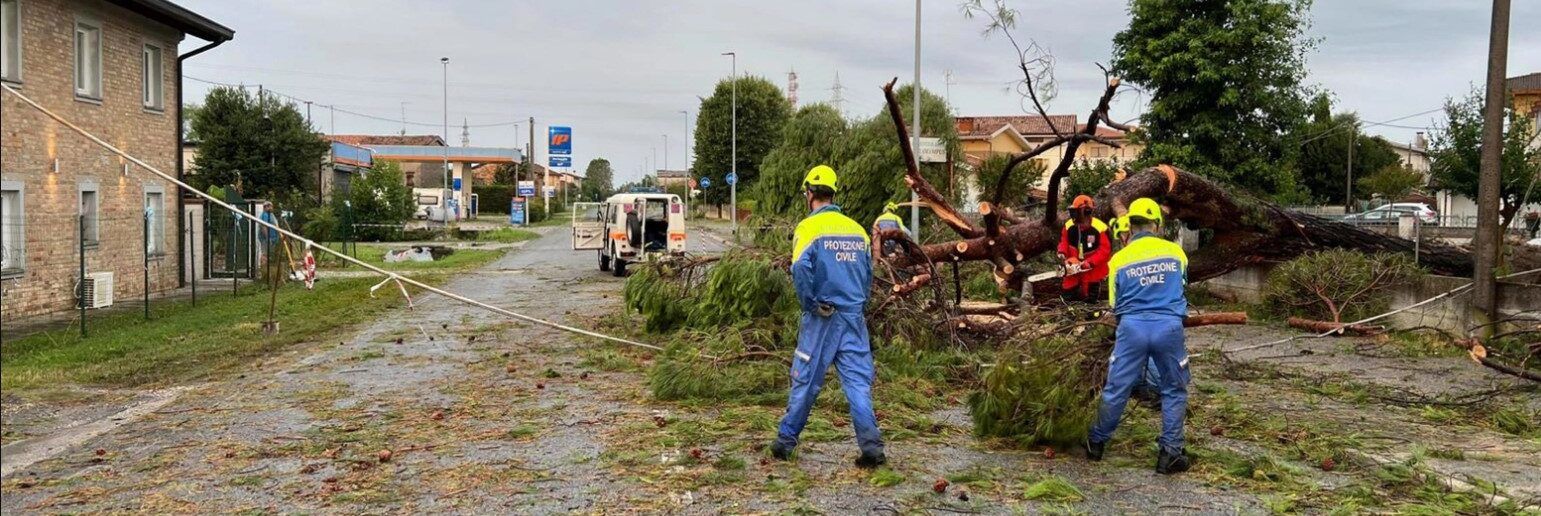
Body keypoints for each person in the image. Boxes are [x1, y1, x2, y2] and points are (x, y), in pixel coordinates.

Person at [771, 165, 886, 468]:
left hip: (823, 317)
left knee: (805, 381)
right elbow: (867, 274)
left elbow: (799, 270)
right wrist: (857, 305)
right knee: (858, 382)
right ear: (833, 192)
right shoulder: (857, 230)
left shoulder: (809, 229)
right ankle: (871, 447)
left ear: (809, 193)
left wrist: (810, 303)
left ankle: (785, 443)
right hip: (853, 318)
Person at [1086, 197, 1192, 474]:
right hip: (1168, 327)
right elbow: (1183, 288)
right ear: (1156, 224)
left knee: (1117, 388)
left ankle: (1095, 444)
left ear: (1130, 227)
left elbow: (1114, 305)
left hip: (1131, 329)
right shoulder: (1176, 252)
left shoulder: (1119, 259)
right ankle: (1169, 454)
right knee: (1173, 389)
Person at [1057, 195, 1112, 302]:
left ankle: (1091, 313)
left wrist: (1090, 262)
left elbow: (1105, 250)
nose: (1074, 214)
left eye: (1077, 211)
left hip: (1092, 269)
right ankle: (1070, 312)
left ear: (1086, 211)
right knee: (1067, 294)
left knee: (1091, 297)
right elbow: (1064, 241)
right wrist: (1062, 252)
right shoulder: (1069, 226)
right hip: (1073, 267)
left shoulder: (1099, 228)